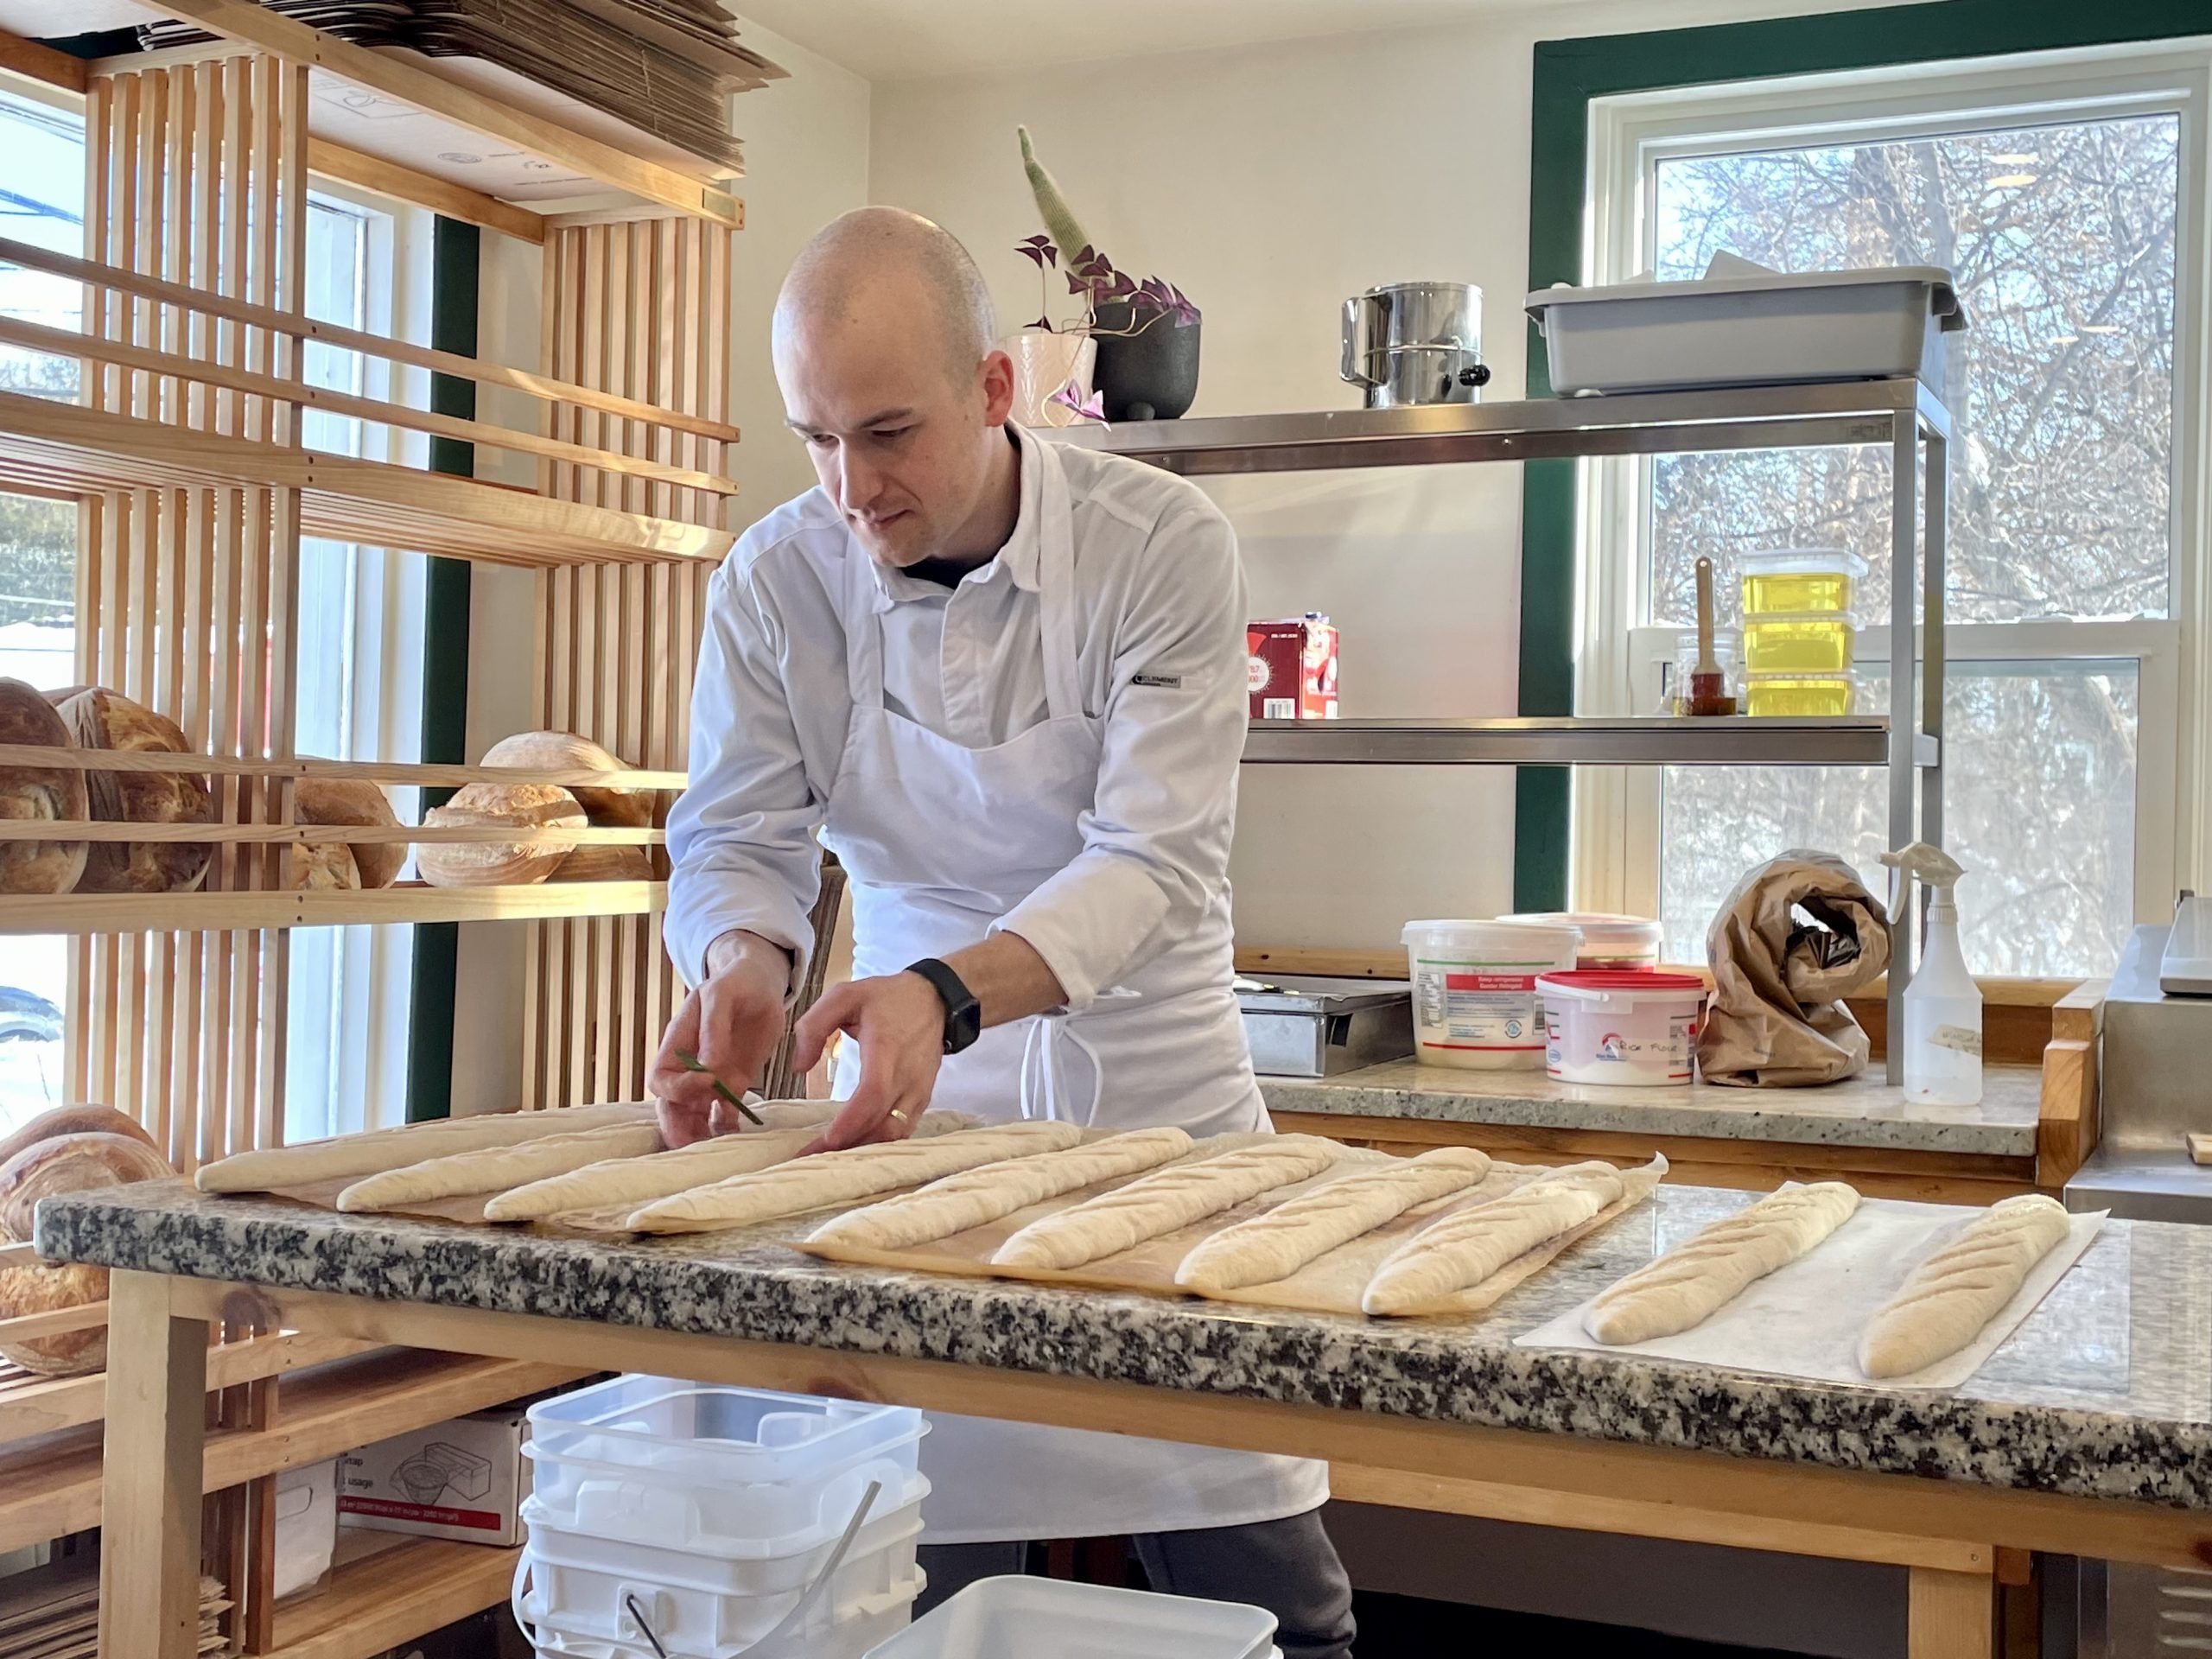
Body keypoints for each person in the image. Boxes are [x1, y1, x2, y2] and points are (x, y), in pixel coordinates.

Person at [652, 207, 1356, 1658]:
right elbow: (740, 832)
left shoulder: (1161, 546)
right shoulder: (777, 580)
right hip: (902, 1133)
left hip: (1162, 1115)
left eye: (889, 432)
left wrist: (941, 992)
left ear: (993, 388)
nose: (853, 486)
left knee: (1276, 1601)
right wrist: (740, 964)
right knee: (892, 1576)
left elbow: (1152, 860)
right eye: (816, 437)